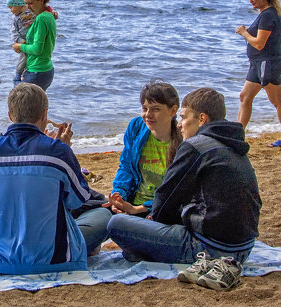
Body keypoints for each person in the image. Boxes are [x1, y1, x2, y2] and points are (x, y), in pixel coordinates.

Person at [105, 88, 261, 292]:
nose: (179, 124)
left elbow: (166, 199)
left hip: (211, 247)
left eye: (183, 117)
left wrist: (148, 221)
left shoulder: (195, 145)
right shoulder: (233, 143)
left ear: (202, 119)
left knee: (116, 224)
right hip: (244, 247)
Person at [0, 83, 106, 274]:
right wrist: (64, 151)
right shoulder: (58, 152)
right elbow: (78, 200)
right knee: (104, 216)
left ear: (11, 116)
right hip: (53, 259)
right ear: (44, 115)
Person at [98, 81, 182, 221]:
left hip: (161, 210)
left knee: (116, 225)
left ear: (173, 111)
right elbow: (126, 167)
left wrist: (139, 209)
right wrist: (119, 195)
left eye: (156, 109)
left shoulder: (183, 141)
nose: (148, 115)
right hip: (133, 201)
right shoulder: (136, 127)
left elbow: (176, 191)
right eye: (144, 108)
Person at [235, 0, 281, 148]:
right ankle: (238, 135)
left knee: (277, 101)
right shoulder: (265, 14)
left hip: (268, 63)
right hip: (258, 63)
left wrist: (244, 33)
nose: (250, 0)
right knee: (244, 97)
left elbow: (259, 43)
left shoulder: (268, 15)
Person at [12, 0, 56, 90]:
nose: (27, 7)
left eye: (30, 3)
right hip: (46, 69)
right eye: (25, 3)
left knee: (22, 104)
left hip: (37, 71)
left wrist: (19, 46)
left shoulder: (41, 19)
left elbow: (37, 49)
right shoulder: (49, 15)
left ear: (41, 0)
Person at [8, 0, 29, 84]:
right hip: (22, 42)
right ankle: (18, 75)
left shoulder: (30, 12)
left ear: (20, 5)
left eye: (11, 7)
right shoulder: (15, 19)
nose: (11, 11)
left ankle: (25, 75)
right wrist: (20, 41)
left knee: (30, 60)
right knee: (23, 59)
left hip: (31, 41)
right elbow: (14, 32)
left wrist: (52, 12)